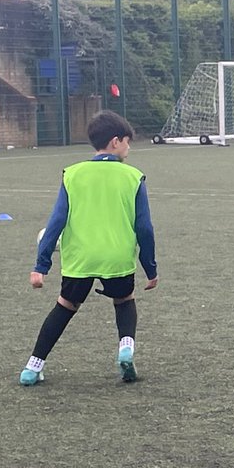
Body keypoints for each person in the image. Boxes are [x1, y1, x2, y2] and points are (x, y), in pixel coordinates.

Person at [19, 110, 157, 386]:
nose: (129, 148)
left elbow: (56, 221)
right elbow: (145, 228)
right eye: (128, 142)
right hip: (116, 257)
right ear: (116, 141)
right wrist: (150, 268)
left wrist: (41, 266)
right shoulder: (133, 177)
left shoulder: (73, 174)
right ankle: (125, 348)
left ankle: (33, 367)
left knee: (64, 307)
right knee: (124, 300)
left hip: (79, 259)